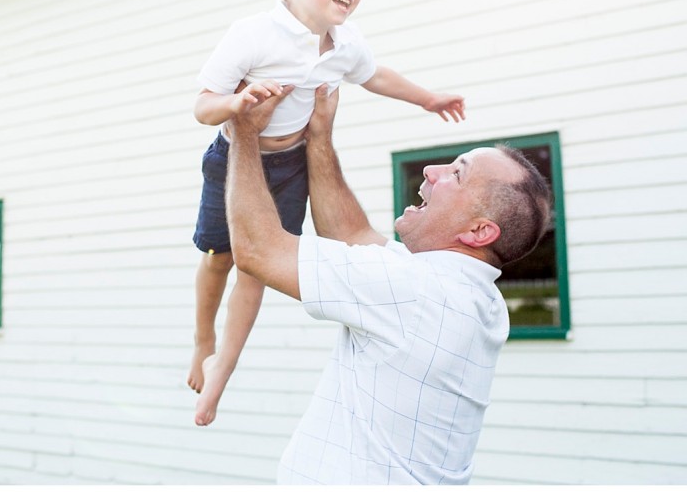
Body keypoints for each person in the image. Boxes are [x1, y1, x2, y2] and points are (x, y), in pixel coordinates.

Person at [189, 0, 466, 427]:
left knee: (259, 266)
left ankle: (222, 369)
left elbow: (375, 75)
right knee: (218, 257)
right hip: (232, 158)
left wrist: (428, 98)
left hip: (291, 163)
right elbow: (202, 106)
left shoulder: (346, 42)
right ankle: (203, 335)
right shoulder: (252, 34)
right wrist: (236, 101)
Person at [222, 83, 553, 484]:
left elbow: (259, 251)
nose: (432, 170)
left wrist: (243, 130)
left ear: (479, 230)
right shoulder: (470, 296)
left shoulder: (415, 289)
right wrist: (319, 136)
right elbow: (352, 232)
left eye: (457, 174)